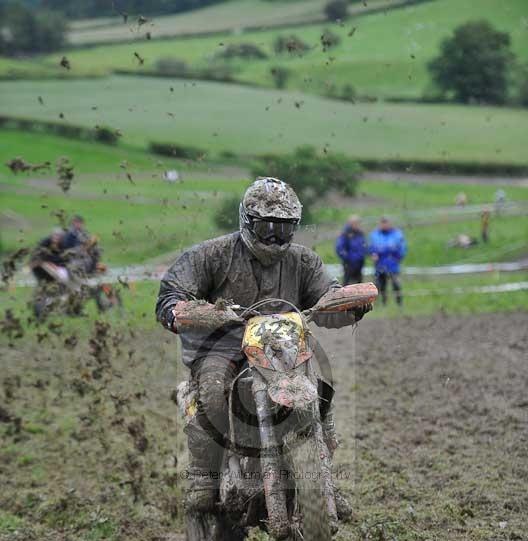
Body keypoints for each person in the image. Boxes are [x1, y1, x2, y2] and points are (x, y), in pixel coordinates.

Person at [156, 177, 372, 514]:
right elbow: (173, 291)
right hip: (222, 347)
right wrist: (179, 311)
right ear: (246, 219)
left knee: (320, 394)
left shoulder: (304, 262)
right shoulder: (212, 254)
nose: (273, 236)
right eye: (266, 226)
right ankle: (205, 476)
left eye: (283, 229)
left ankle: (320, 477)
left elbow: (325, 300)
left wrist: (347, 306)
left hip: (283, 349)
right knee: (212, 391)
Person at [368, 216, 407, 306]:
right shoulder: (375, 235)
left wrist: (397, 258)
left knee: (396, 284)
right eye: (382, 223)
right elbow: (370, 247)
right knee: (381, 285)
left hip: (393, 264)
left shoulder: (397, 234)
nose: (384, 225)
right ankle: (383, 303)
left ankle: (399, 303)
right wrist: (373, 253)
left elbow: (402, 247)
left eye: (386, 223)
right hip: (380, 264)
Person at [335, 215, 366, 285]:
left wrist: (362, 256)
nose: (358, 225)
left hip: (359, 263)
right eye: (356, 223)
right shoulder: (345, 234)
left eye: (358, 223)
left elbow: (363, 246)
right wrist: (347, 258)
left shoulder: (360, 234)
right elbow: (339, 248)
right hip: (348, 264)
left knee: (359, 284)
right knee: (347, 284)